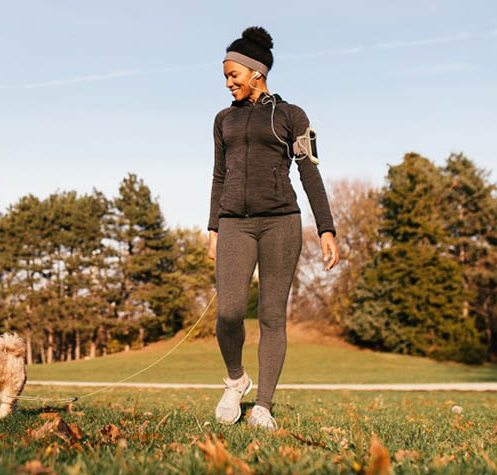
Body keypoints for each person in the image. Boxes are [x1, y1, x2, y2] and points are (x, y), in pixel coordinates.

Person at [207, 26, 340, 430]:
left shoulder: (291, 116)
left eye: (234, 75)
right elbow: (218, 175)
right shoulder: (223, 120)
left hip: (282, 222)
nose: (228, 83)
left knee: (271, 316)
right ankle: (236, 380)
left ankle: (263, 404)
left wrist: (326, 228)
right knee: (228, 313)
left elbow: (310, 174)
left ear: (256, 74)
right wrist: (213, 227)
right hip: (234, 224)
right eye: (226, 76)